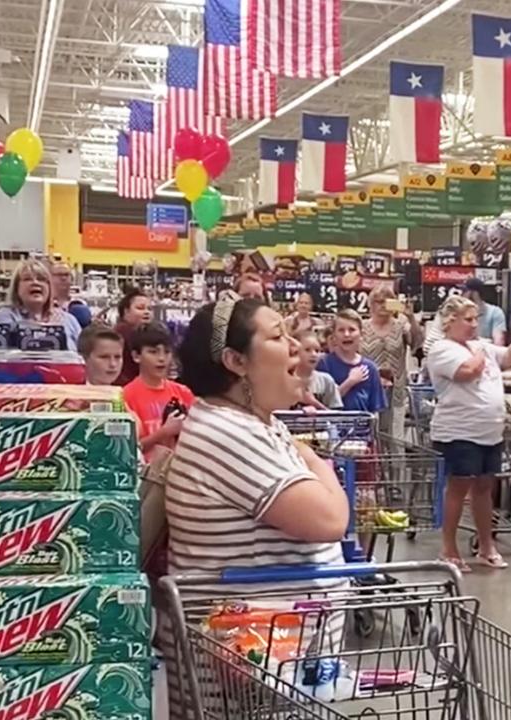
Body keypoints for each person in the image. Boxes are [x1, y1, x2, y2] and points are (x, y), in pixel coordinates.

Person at [161, 291, 350, 718]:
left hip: (270, 668)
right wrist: (314, 458)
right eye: (278, 336)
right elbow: (331, 519)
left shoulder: (253, 423)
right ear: (236, 361)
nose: (296, 347)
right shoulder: (228, 432)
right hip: (245, 679)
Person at [425, 295, 511, 571]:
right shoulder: (441, 349)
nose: (475, 325)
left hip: (490, 432)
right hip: (459, 431)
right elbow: (468, 372)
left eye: (476, 319)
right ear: (450, 321)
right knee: (459, 487)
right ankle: (448, 548)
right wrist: (480, 353)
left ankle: (487, 545)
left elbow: (510, 357)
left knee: (485, 487)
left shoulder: (480, 346)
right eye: (468, 319)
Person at [122, 322, 195, 461]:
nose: (162, 358)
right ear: (136, 356)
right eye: (153, 352)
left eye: (167, 352)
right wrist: (163, 432)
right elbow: (128, 451)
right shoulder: (126, 396)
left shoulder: (183, 392)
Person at [361, 285, 423, 438]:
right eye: (378, 301)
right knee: (372, 436)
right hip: (368, 391)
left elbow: (417, 344)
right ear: (370, 304)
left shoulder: (401, 326)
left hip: (396, 392)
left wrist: (411, 317)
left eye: (387, 301)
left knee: (396, 438)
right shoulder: (361, 327)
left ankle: (396, 463)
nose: (382, 305)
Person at [0, 258, 82, 352]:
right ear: (16, 288)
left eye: (41, 279)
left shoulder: (69, 320)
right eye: (27, 279)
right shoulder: (6, 316)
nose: (35, 282)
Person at [318, 309, 386, 413]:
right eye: (341, 330)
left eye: (352, 330)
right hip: (333, 427)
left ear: (361, 335)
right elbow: (323, 404)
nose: (346, 334)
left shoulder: (370, 368)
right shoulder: (324, 363)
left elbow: (375, 409)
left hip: (362, 428)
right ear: (334, 336)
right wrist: (350, 382)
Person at [293, 330, 341, 410]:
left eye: (317, 351)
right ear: (295, 351)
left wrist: (315, 404)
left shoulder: (326, 381)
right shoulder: (284, 380)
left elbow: (336, 417)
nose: (314, 354)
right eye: (307, 350)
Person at [114, 287, 152, 385]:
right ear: (126, 311)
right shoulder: (122, 334)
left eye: (149, 309)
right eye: (140, 308)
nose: (146, 312)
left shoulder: (145, 333)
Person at [462, 278, 507, 344]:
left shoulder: (495, 312)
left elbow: (499, 342)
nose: (462, 295)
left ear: (474, 294)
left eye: (464, 291)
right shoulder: (458, 313)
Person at [49, 261, 92, 328]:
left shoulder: (80, 304)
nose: (63, 278)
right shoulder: (45, 304)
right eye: (59, 275)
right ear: (50, 278)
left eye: (66, 275)